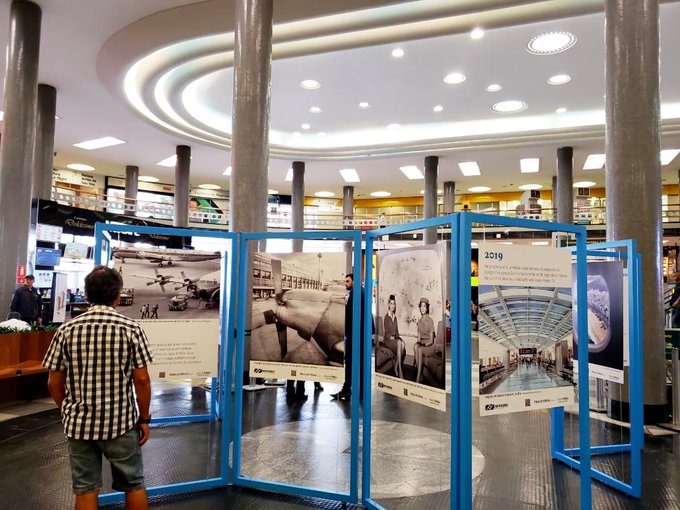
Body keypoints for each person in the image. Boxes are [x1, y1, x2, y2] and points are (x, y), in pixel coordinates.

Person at [42, 266, 153, 510]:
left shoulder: (66, 330)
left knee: (85, 489)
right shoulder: (131, 329)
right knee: (134, 484)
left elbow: (53, 382)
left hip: (79, 425)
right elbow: (142, 380)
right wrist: (144, 418)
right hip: (121, 423)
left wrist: (68, 410)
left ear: (86, 294)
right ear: (117, 295)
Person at [332, 274, 365, 401]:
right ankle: (354, 391)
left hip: (355, 335)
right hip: (357, 334)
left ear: (354, 281)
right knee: (357, 363)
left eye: (347, 281)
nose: (345, 283)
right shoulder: (359, 292)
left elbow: (351, 315)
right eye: (344, 281)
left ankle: (348, 390)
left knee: (351, 362)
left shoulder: (357, 293)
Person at [382, 294, 405, 378]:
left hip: (394, 339)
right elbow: (387, 334)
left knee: (402, 344)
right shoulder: (386, 317)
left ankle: (395, 366)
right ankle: (400, 370)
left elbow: (397, 331)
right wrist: (392, 338)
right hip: (388, 341)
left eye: (394, 304)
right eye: (391, 303)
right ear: (388, 304)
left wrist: (399, 338)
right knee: (399, 343)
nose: (392, 305)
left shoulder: (395, 318)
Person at [414, 297, 436, 384]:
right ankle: (420, 375)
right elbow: (418, 338)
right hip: (422, 343)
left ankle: (418, 377)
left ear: (427, 308)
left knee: (419, 349)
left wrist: (423, 346)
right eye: (421, 306)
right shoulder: (419, 321)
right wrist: (416, 351)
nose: (422, 308)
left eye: (424, 306)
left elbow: (431, 341)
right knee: (415, 346)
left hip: (429, 345)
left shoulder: (430, 321)